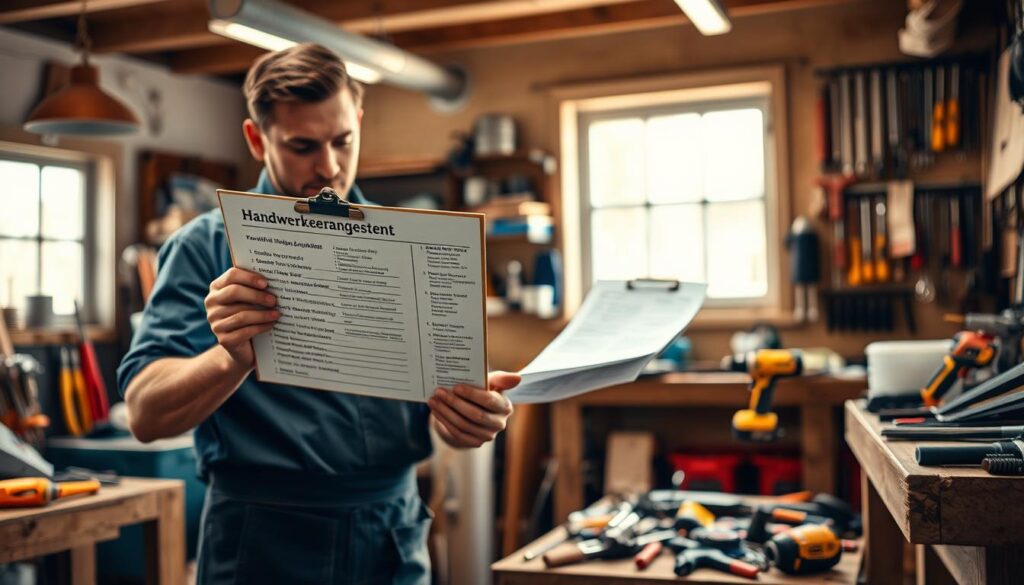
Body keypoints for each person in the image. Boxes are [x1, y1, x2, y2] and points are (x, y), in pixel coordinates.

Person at [118, 43, 519, 585]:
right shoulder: (203, 248)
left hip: (390, 533)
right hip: (263, 539)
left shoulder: (412, 247)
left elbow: (437, 411)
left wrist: (465, 417)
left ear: (358, 119)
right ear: (257, 140)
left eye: (342, 140)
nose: (329, 166)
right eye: (302, 146)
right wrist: (231, 357)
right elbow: (145, 413)